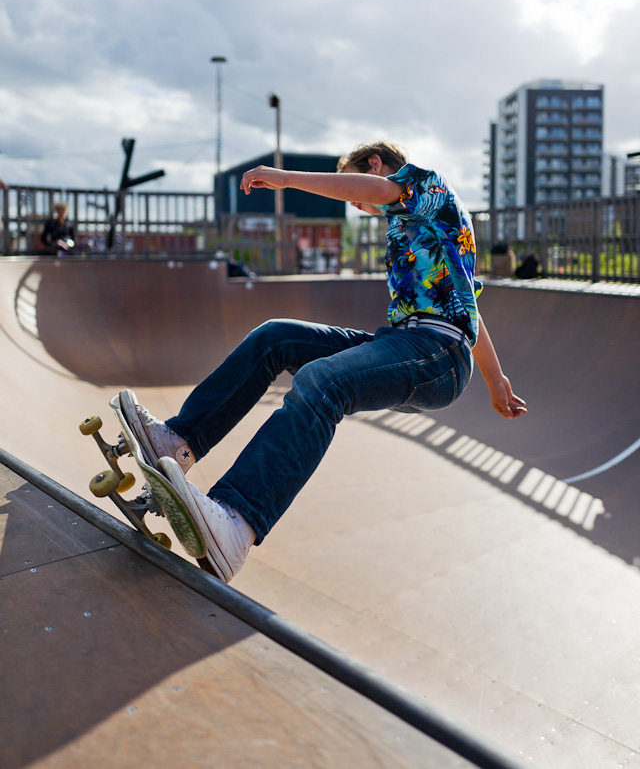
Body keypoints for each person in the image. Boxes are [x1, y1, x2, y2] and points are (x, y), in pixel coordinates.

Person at [120, 141, 526, 583]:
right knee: (277, 337)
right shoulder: (423, 224)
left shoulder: (424, 185)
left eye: (356, 194)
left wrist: (286, 178)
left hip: (437, 355)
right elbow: (471, 308)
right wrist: (497, 381)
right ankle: (178, 443)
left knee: (323, 382)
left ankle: (237, 521)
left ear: (374, 166)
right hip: (410, 344)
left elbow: (379, 191)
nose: (356, 205)